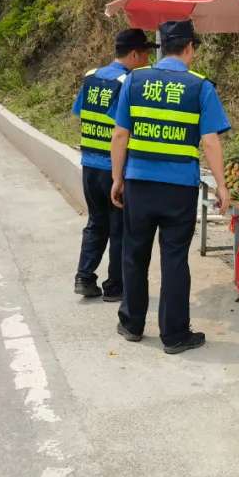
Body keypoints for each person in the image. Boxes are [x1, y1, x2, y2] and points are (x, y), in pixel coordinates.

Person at [110, 20, 231, 355]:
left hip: (139, 183)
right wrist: (222, 186)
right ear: (189, 47)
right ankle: (174, 335)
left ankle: (132, 324)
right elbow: (210, 141)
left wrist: (118, 178)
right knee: (175, 259)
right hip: (179, 188)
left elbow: (120, 134)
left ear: (162, 47)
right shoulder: (200, 87)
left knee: (134, 253)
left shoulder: (135, 80)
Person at [71, 28, 157, 300]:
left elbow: (79, 112)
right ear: (134, 54)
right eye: (145, 54)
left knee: (96, 222)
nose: (147, 60)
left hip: (89, 164)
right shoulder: (128, 82)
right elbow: (126, 129)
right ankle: (115, 286)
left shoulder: (91, 77)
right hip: (114, 168)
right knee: (120, 226)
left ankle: (84, 277)